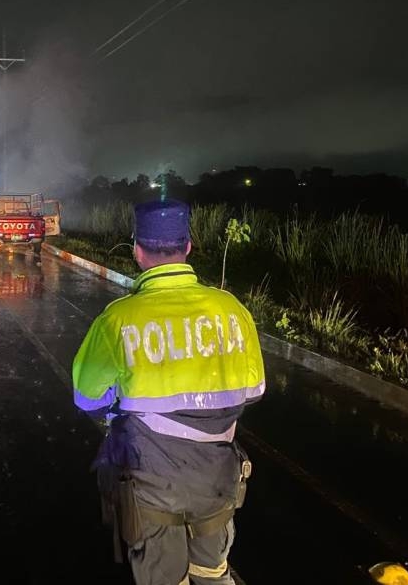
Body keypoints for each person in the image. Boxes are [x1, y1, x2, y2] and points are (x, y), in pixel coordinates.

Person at [72, 199, 265, 585]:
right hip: (218, 484)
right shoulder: (231, 310)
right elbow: (255, 390)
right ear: (188, 247)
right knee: (213, 573)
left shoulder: (119, 319)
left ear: (137, 251)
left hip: (152, 489)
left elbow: (86, 398)